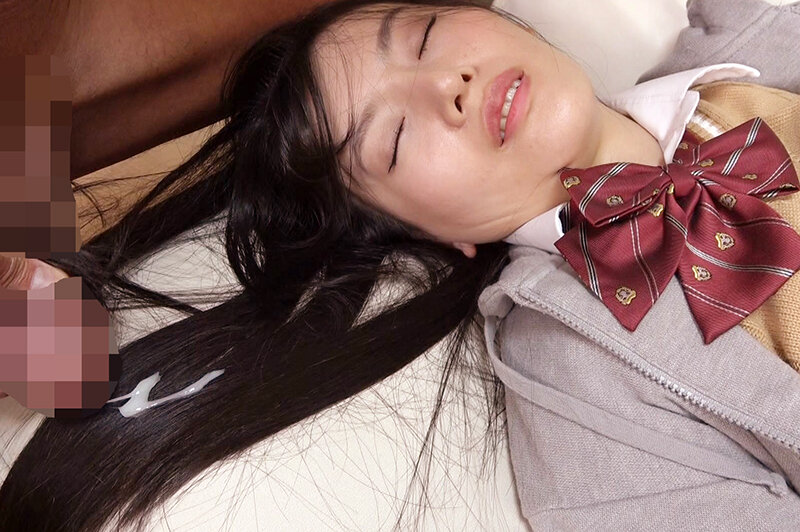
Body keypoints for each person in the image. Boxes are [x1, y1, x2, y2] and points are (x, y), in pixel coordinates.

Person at [1, 0, 798, 529]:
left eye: (423, 37)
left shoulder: (752, 42)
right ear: (437, 237)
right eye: (394, 140)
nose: (447, 85)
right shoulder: (576, 381)